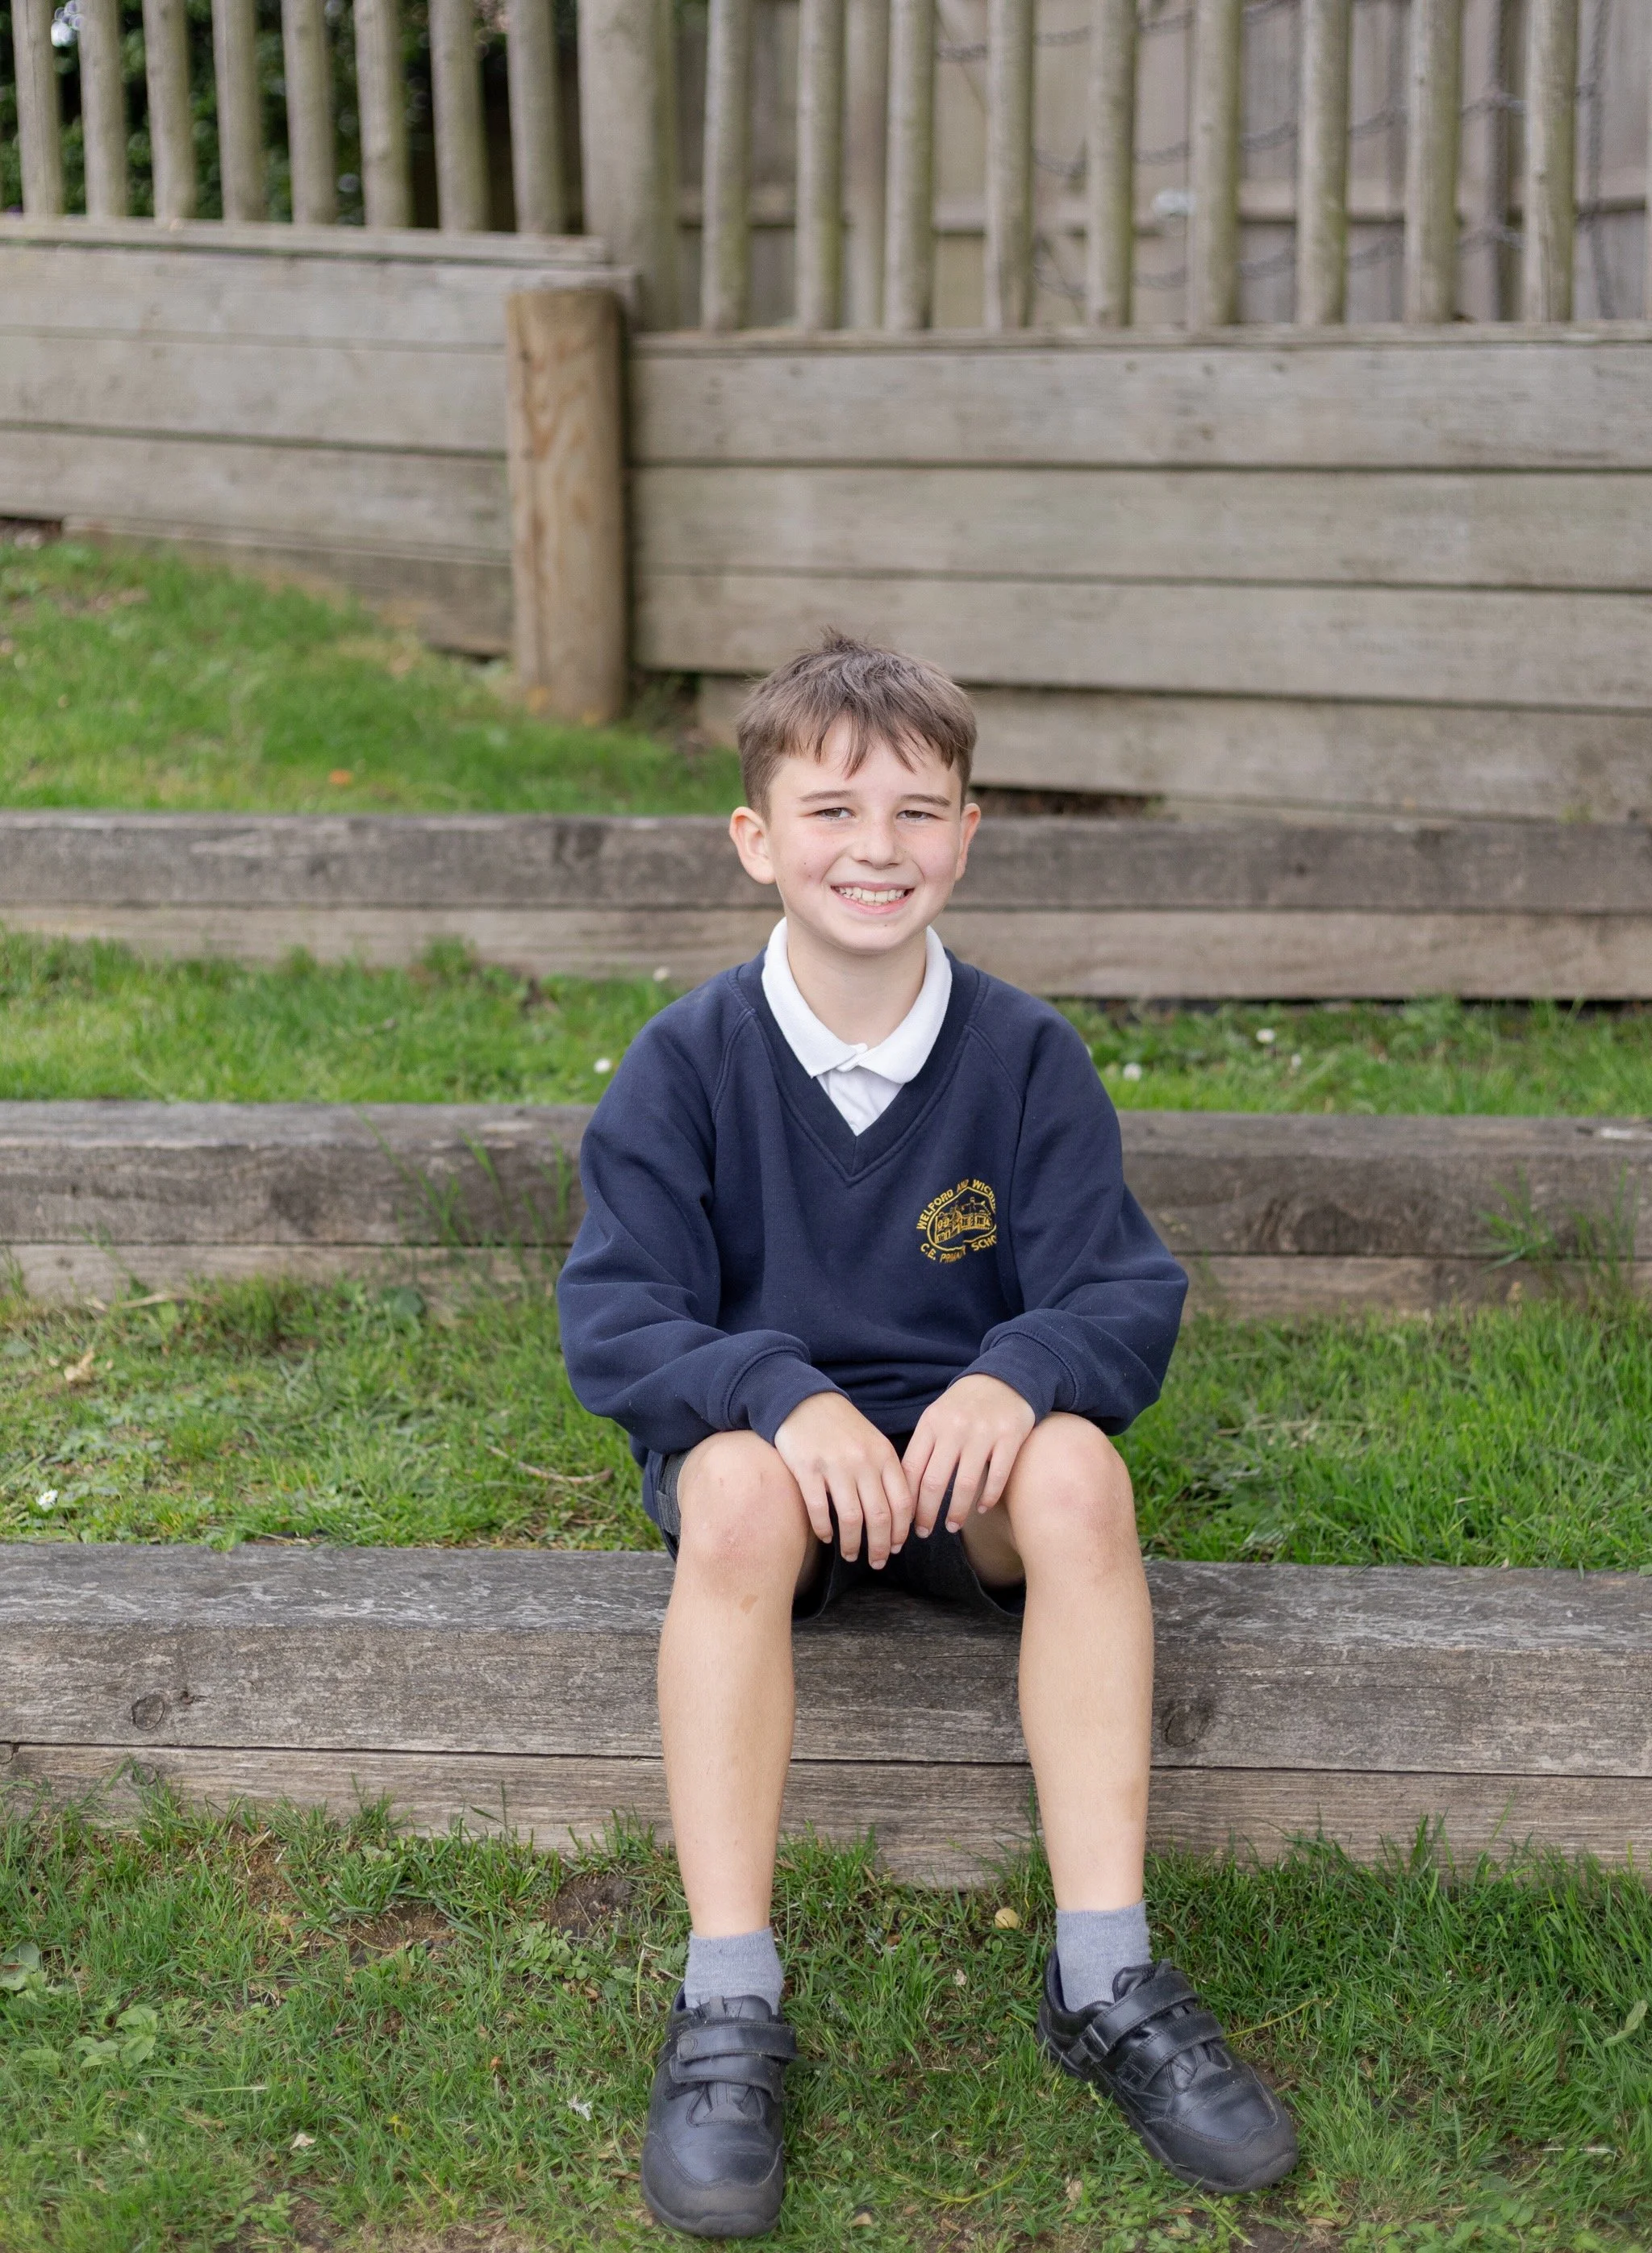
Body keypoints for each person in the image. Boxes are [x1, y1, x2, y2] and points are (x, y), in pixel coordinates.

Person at [557, 635, 1299, 2238]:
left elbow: (1124, 1289)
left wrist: (1013, 1370)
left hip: (964, 1486)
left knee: (1084, 1468)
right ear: (754, 837)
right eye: (830, 809)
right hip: (781, 1475)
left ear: (967, 836)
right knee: (739, 1499)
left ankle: (1104, 1971)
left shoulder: (1024, 1056)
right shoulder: (685, 1064)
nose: (874, 848)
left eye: (917, 810)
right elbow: (615, 1324)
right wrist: (773, 1390)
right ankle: (729, 1998)